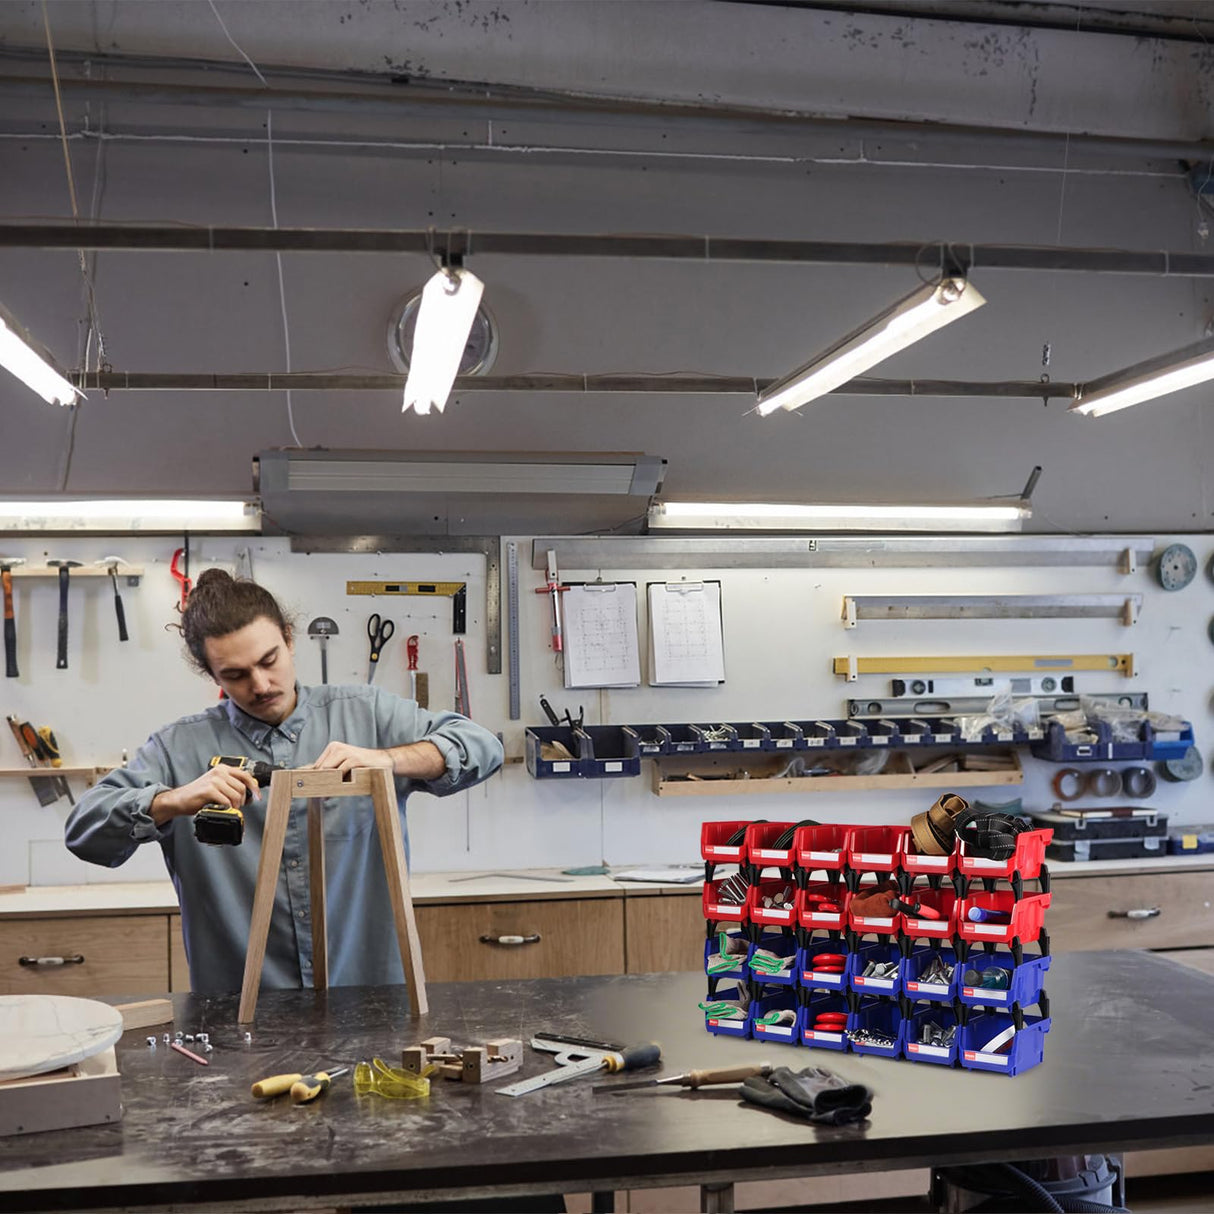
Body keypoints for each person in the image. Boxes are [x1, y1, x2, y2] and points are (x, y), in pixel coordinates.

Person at [65, 569, 504, 994]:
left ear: (289, 640)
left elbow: (481, 746)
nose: (260, 685)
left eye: (269, 661)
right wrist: (172, 800)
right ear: (211, 675)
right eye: (235, 675)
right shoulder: (177, 748)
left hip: (369, 1000)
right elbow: (83, 830)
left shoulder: (366, 714)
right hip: (238, 1012)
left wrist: (387, 759)